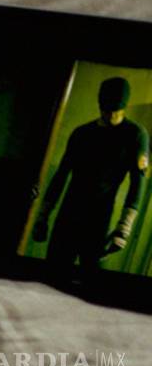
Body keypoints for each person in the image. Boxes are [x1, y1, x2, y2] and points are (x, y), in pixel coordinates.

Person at [33, 77, 149, 267]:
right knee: (54, 271)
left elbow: (138, 183)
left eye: (116, 110)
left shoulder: (135, 135)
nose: (110, 115)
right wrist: (43, 215)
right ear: (100, 105)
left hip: (100, 220)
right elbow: (61, 175)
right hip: (68, 215)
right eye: (106, 109)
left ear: (124, 107)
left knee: (92, 277)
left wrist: (124, 227)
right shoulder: (82, 134)